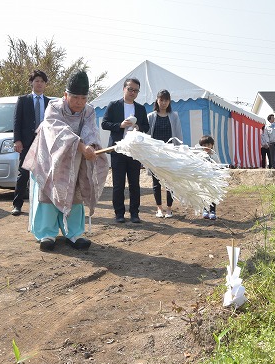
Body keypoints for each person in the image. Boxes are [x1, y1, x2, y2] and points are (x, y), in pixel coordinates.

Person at [23, 71, 109, 251]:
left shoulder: (89, 110)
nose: (79, 102)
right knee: (48, 193)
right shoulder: (54, 107)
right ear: (65, 95)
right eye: (75, 97)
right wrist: (80, 145)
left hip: (76, 160)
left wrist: (91, 147)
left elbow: (90, 130)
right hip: (50, 157)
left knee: (75, 192)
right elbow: (57, 130)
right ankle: (47, 233)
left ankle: (74, 233)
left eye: (83, 98)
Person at [101, 78, 150, 223]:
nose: (132, 92)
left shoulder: (140, 108)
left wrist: (138, 127)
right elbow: (104, 124)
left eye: (136, 90)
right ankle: (119, 214)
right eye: (130, 89)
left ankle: (134, 213)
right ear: (124, 89)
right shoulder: (114, 105)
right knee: (118, 184)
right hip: (118, 150)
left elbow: (146, 127)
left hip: (134, 151)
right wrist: (120, 125)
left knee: (134, 184)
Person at [11, 70, 51, 216]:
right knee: (24, 173)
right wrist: (17, 140)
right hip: (27, 142)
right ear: (31, 83)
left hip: (45, 142)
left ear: (45, 84)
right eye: (36, 81)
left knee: (45, 173)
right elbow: (16, 121)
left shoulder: (50, 103)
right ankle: (17, 205)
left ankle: (44, 205)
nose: (39, 84)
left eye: (42, 81)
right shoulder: (23, 100)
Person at [147, 89, 183, 218]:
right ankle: (159, 209)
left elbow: (178, 135)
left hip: (170, 154)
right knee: (156, 182)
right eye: (161, 99)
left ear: (169, 101)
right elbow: (146, 136)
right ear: (157, 100)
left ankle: (169, 209)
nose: (163, 102)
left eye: (166, 100)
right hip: (155, 155)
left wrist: (179, 153)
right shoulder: (150, 116)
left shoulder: (174, 116)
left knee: (169, 182)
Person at [199, 135, 219, 220]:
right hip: (204, 179)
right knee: (204, 194)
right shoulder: (200, 155)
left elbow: (218, 166)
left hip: (213, 179)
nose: (206, 147)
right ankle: (205, 210)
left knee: (213, 194)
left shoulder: (214, 155)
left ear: (212, 145)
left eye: (208, 144)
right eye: (204, 145)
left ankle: (213, 211)